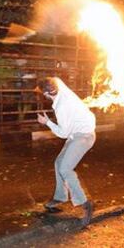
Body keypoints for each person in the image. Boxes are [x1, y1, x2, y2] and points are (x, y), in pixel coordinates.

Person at [36, 77, 96, 227]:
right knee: (58, 163)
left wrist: (47, 122)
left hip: (83, 136)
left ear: (46, 93)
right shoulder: (61, 87)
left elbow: (63, 133)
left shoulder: (62, 106)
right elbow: (55, 79)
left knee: (65, 168)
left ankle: (86, 203)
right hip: (76, 134)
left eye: (43, 94)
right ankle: (60, 197)